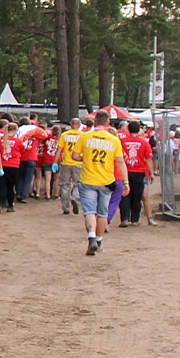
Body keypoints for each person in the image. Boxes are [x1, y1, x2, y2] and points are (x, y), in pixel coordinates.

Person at [72, 109, 128, 255]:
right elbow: (121, 162)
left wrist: (86, 158)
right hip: (106, 181)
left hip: (88, 179)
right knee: (102, 213)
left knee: (90, 211)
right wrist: (126, 182)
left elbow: (75, 155)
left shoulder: (85, 137)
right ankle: (99, 240)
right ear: (108, 122)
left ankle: (91, 238)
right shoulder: (114, 140)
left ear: (95, 121)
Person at [118, 120, 154, 227]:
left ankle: (124, 218)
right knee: (137, 196)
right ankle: (135, 219)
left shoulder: (122, 141)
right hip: (139, 171)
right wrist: (151, 173)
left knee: (125, 194)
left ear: (128, 129)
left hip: (125, 170)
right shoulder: (144, 142)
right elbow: (148, 159)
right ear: (138, 130)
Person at [54, 118, 84, 215]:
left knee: (65, 185)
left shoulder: (65, 135)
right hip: (78, 163)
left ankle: (65, 206)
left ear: (71, 124)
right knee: (78, 184)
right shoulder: (83, 136)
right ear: (79, 125)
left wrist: (55, 162)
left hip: (66, 163)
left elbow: (59, 150)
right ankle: (74, 197)